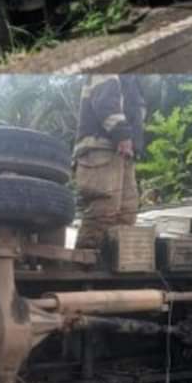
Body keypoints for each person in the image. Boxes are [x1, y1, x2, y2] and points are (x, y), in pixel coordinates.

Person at [73, 76, 146, 251]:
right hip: (100, 147)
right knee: (104, 210)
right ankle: (84, 267)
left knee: (127, 213)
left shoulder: (132, 79)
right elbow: (105, 101)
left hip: (124, 151)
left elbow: (136, 115)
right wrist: (122, 134)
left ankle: (109, 265)